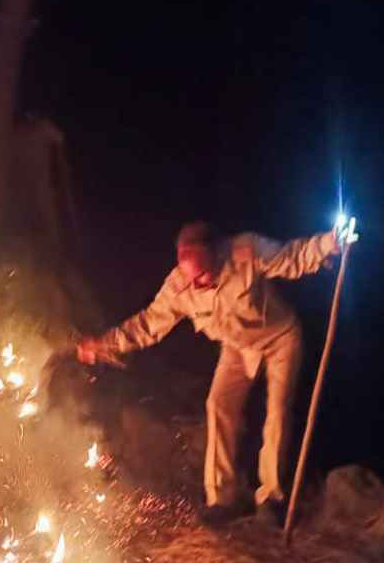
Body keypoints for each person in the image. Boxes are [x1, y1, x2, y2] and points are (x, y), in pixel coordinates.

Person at [77, 220, 355, 526]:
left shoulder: (246, 251)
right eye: (192, 277)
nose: (199, 283)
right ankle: (223, 499)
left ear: (217, 254)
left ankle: (272, 498)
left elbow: (291, 257)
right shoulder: (179, 285)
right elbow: (147, 325)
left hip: (279, 339)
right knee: (219, 405)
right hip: (237, 347)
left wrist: (330, 243)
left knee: (276, 411)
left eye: (205, 274)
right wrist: (103, 344)